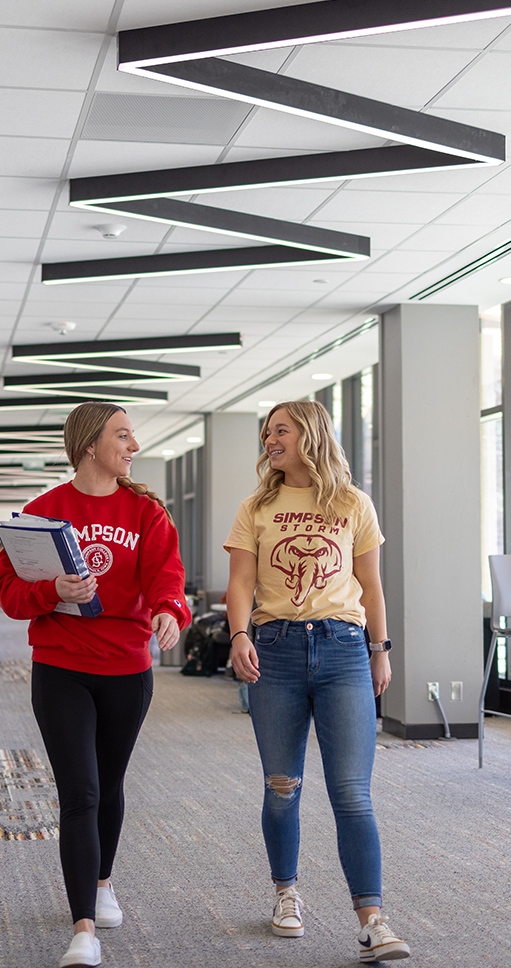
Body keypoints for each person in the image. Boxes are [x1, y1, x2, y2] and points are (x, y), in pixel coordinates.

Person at [0, 401, 191, 968]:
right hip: (61, 668)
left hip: (128, 670)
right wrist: (54, 589)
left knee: (108, 785)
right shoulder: (39, 513)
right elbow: (10, 596)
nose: (133, 446)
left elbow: (166, 576)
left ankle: (103, 881)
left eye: (133, 437)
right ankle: (84, 929)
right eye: (122, 436)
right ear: (88, 445)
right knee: (79, 792)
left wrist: (169, 612)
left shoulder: (147, 512)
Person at [225, 400, 410, 963]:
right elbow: (240, 583)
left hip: (344, 650)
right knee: (283, 786)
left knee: (352, 793)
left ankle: (372, 920)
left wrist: (380, 651)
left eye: (279, 430)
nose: (269, 440)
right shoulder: (256, 507)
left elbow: (371, 586)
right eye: (266, 433)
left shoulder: (353, 503)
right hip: (275, 650)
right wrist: (237, 635)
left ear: (310, 434)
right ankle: (286, 894)